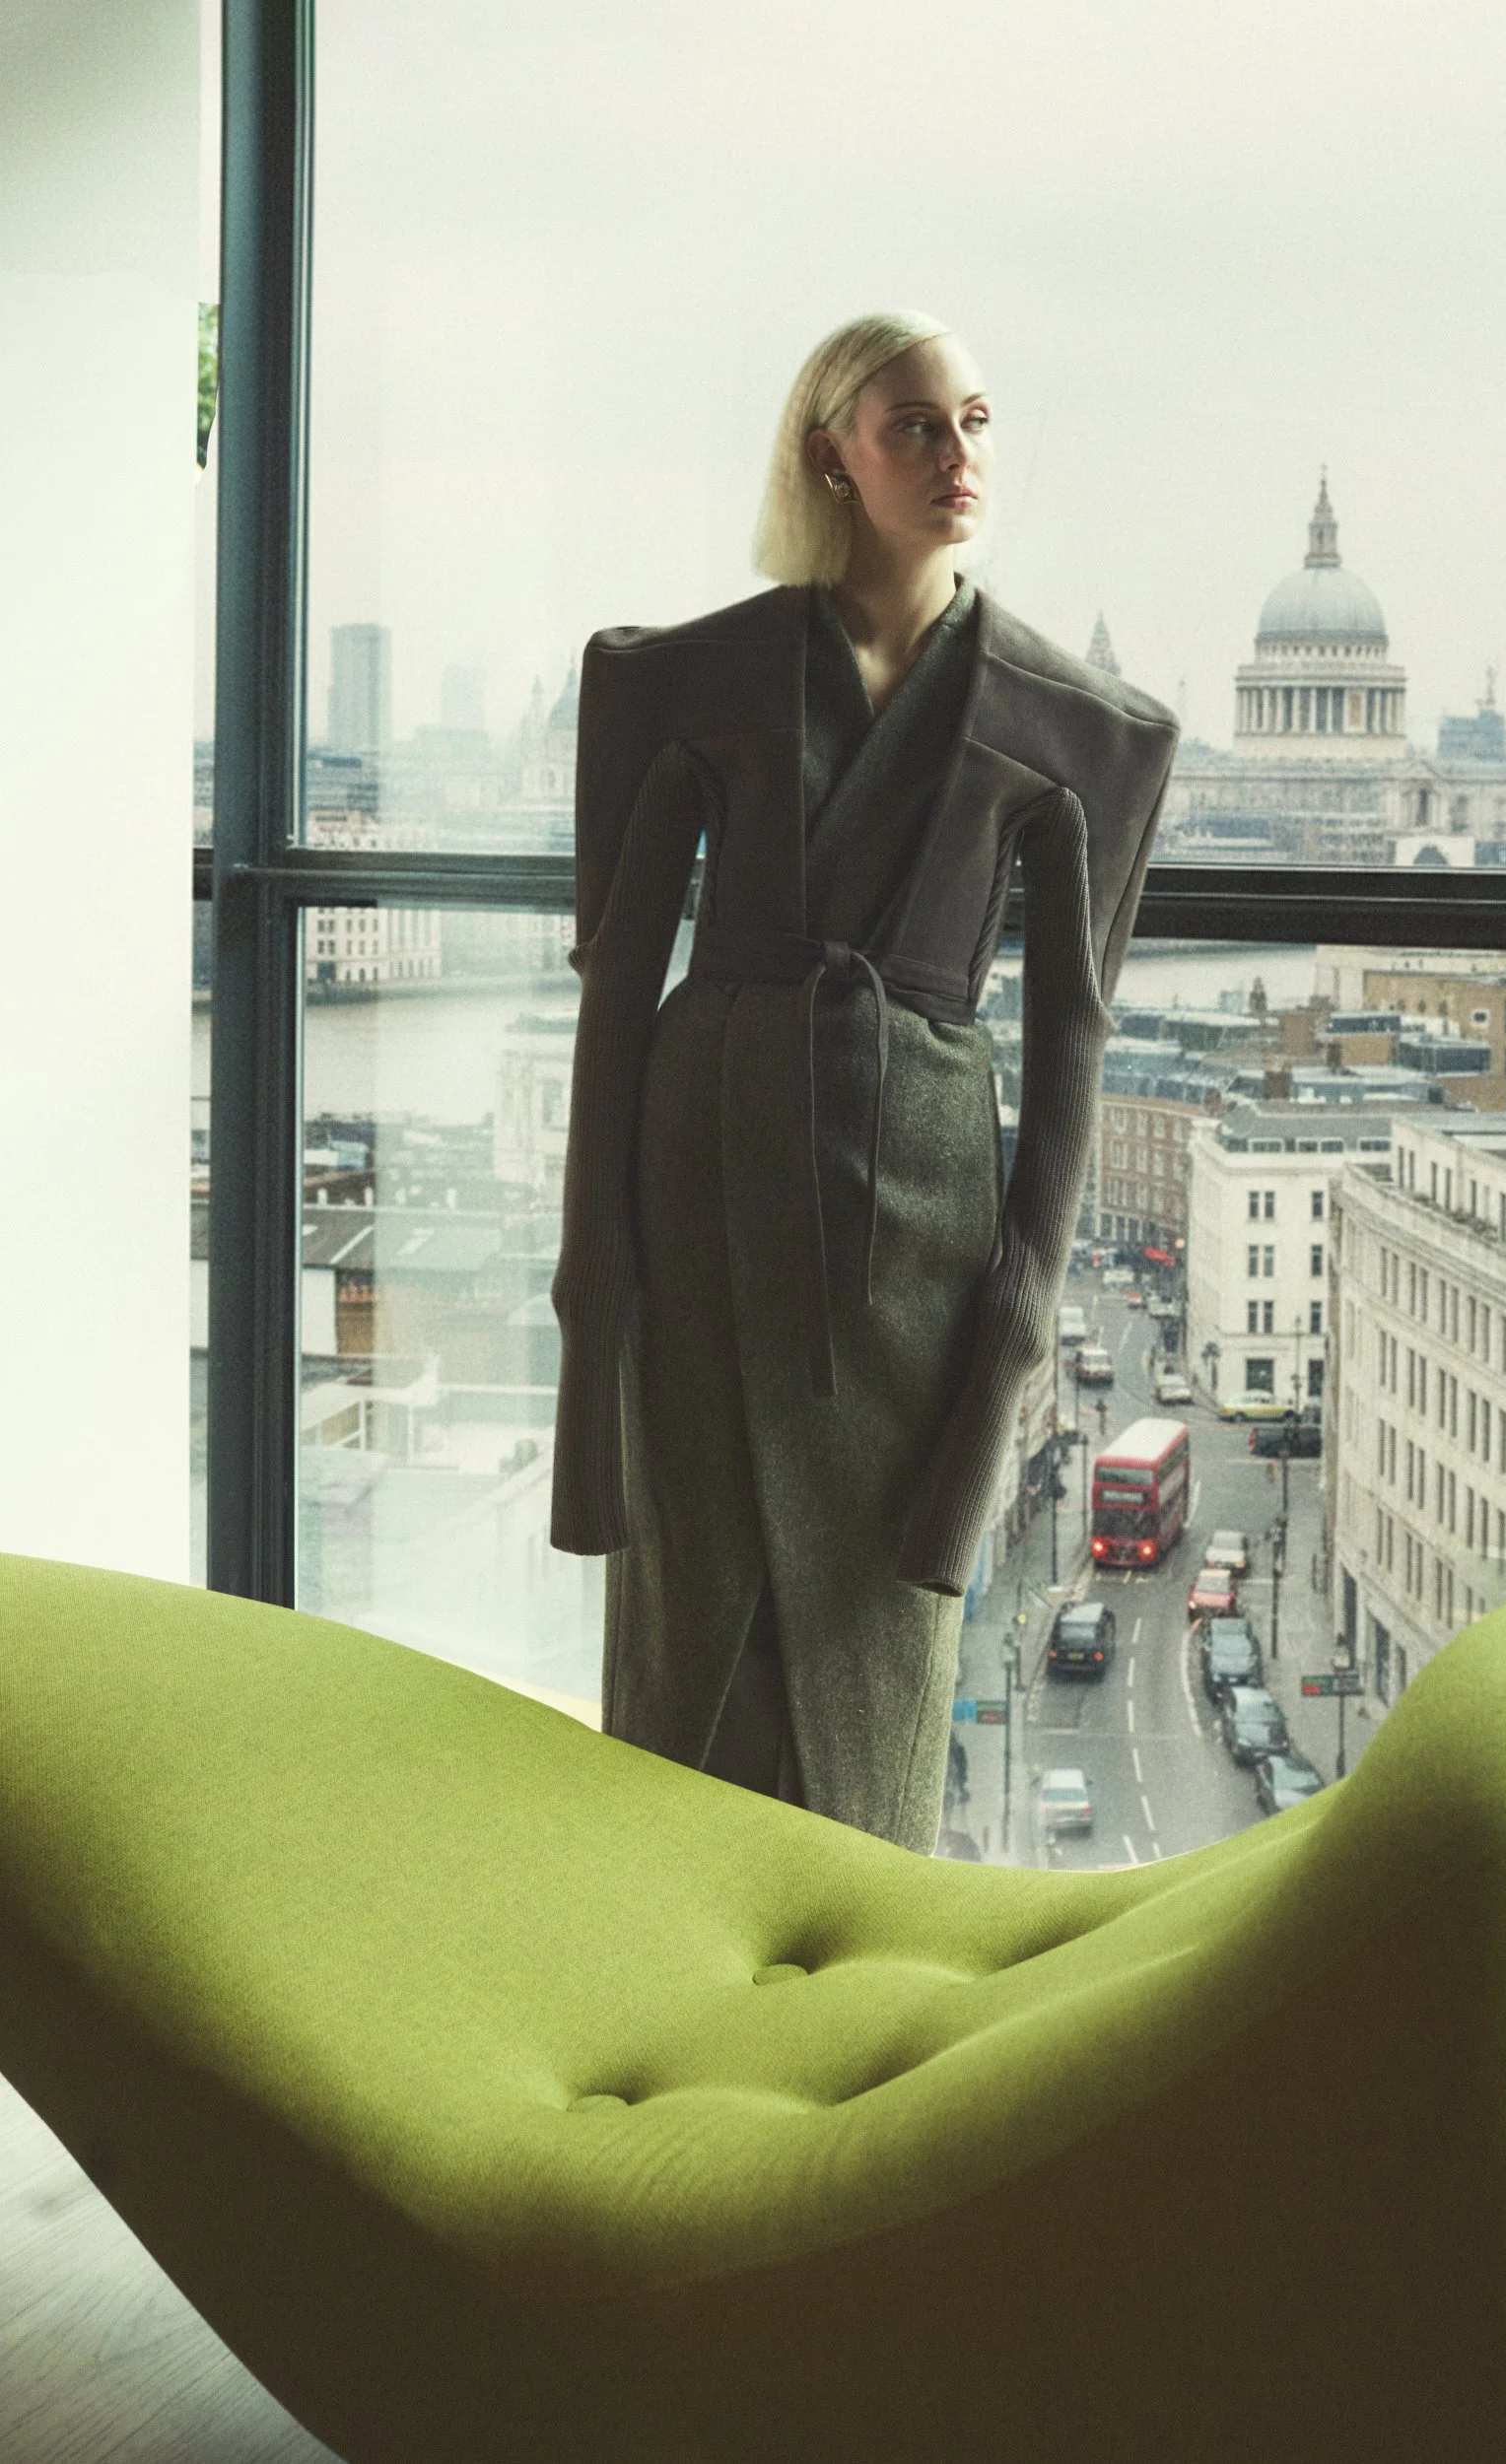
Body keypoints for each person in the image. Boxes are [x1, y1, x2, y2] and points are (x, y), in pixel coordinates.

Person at [550, 310, 1178, 1852]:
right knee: (692, 1575)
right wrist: (593, 1276)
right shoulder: (686, 677)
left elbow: (1073, 1036)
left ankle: (854, 1945)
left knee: (881, 1608)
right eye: (915, 426)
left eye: (973, 422)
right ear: (829, 448)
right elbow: (615, 989)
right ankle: (664, 1943)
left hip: (920, 1206)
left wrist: (1023, 1304)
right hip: (695, 1162)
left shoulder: (1076, 723)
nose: (957, 457)